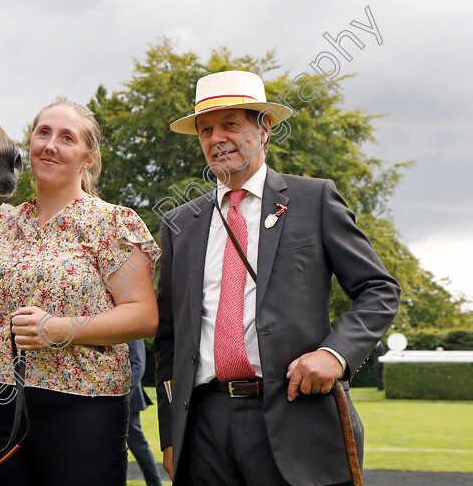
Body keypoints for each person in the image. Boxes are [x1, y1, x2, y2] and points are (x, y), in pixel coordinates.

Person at [154, 71, 400, 486]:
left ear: (264, 128)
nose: (217, 138)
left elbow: (379, 290)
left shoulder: (314, 199)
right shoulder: (180, 223)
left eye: (231, 124)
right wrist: (169, 436)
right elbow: (168, 338)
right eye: (206, 129)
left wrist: (335, 355)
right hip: (202, 427)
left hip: (296, 417)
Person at [0, 100, 161, 486]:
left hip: (83, 410)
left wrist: (59, 329)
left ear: (88, 158)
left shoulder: (110, 223)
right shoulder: (3, 227)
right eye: (43, 133)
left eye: (66, 138)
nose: (51, 145)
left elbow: (143, 315)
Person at [127, 339, 163, 486]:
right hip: (108, 401)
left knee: (139, 447)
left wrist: (123, 397)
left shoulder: (132, 328)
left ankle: (155, 483)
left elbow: (138, 366)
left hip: (128, 401)